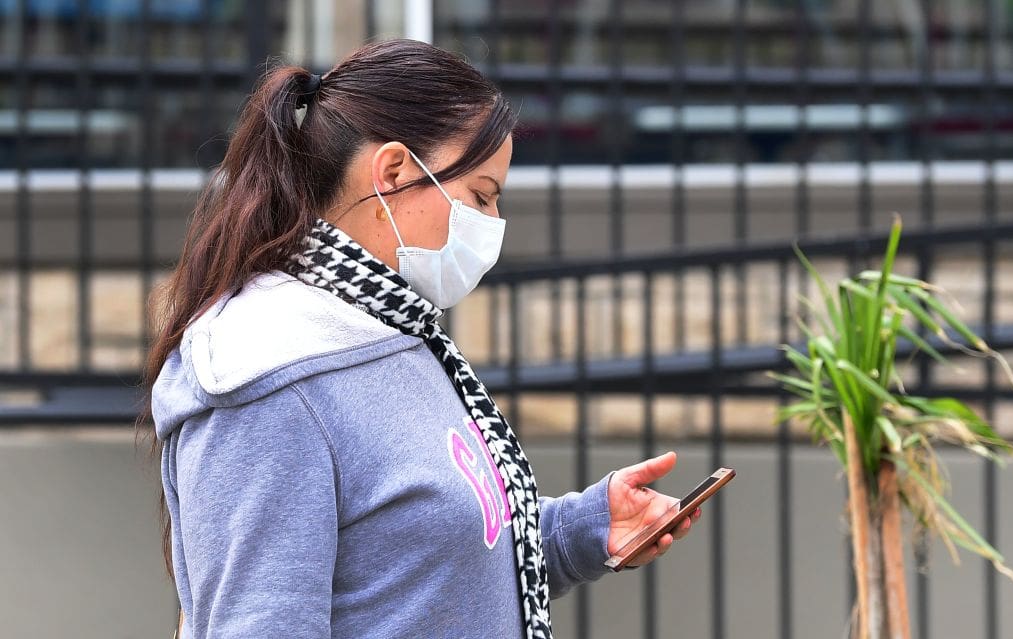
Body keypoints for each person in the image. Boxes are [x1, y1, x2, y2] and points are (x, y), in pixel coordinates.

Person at [142, 39, 701, 639]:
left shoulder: (392, 330)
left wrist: (579, 532)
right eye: (480, 196)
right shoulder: (268, 380)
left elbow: (421, 568)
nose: (490, 225)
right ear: (393, 174)